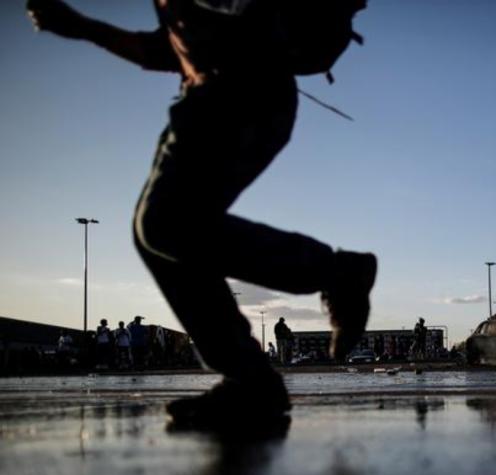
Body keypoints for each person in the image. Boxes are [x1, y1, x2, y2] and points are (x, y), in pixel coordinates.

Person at [28, 0, 377, 427]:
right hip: (212, 97)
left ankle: (332, 274)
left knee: (165, 225)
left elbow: (242, 20)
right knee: (158, 238)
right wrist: (84, 28)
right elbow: (169, 49)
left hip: (237, 93)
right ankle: (249, 378)